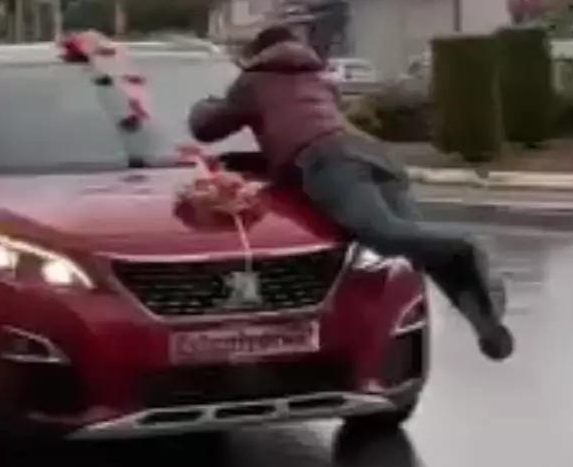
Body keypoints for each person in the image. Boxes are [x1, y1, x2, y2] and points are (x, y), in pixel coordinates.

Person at [188, 25, 514, 360]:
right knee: (419, 245)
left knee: (384, 236)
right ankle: (484, 323)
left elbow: (206, 128)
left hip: (332, 162)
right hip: (377, 156)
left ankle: (469, 243)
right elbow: (298, 127)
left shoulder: (254, 81)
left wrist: (208, 104)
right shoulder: (321, 79)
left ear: (258, 53)